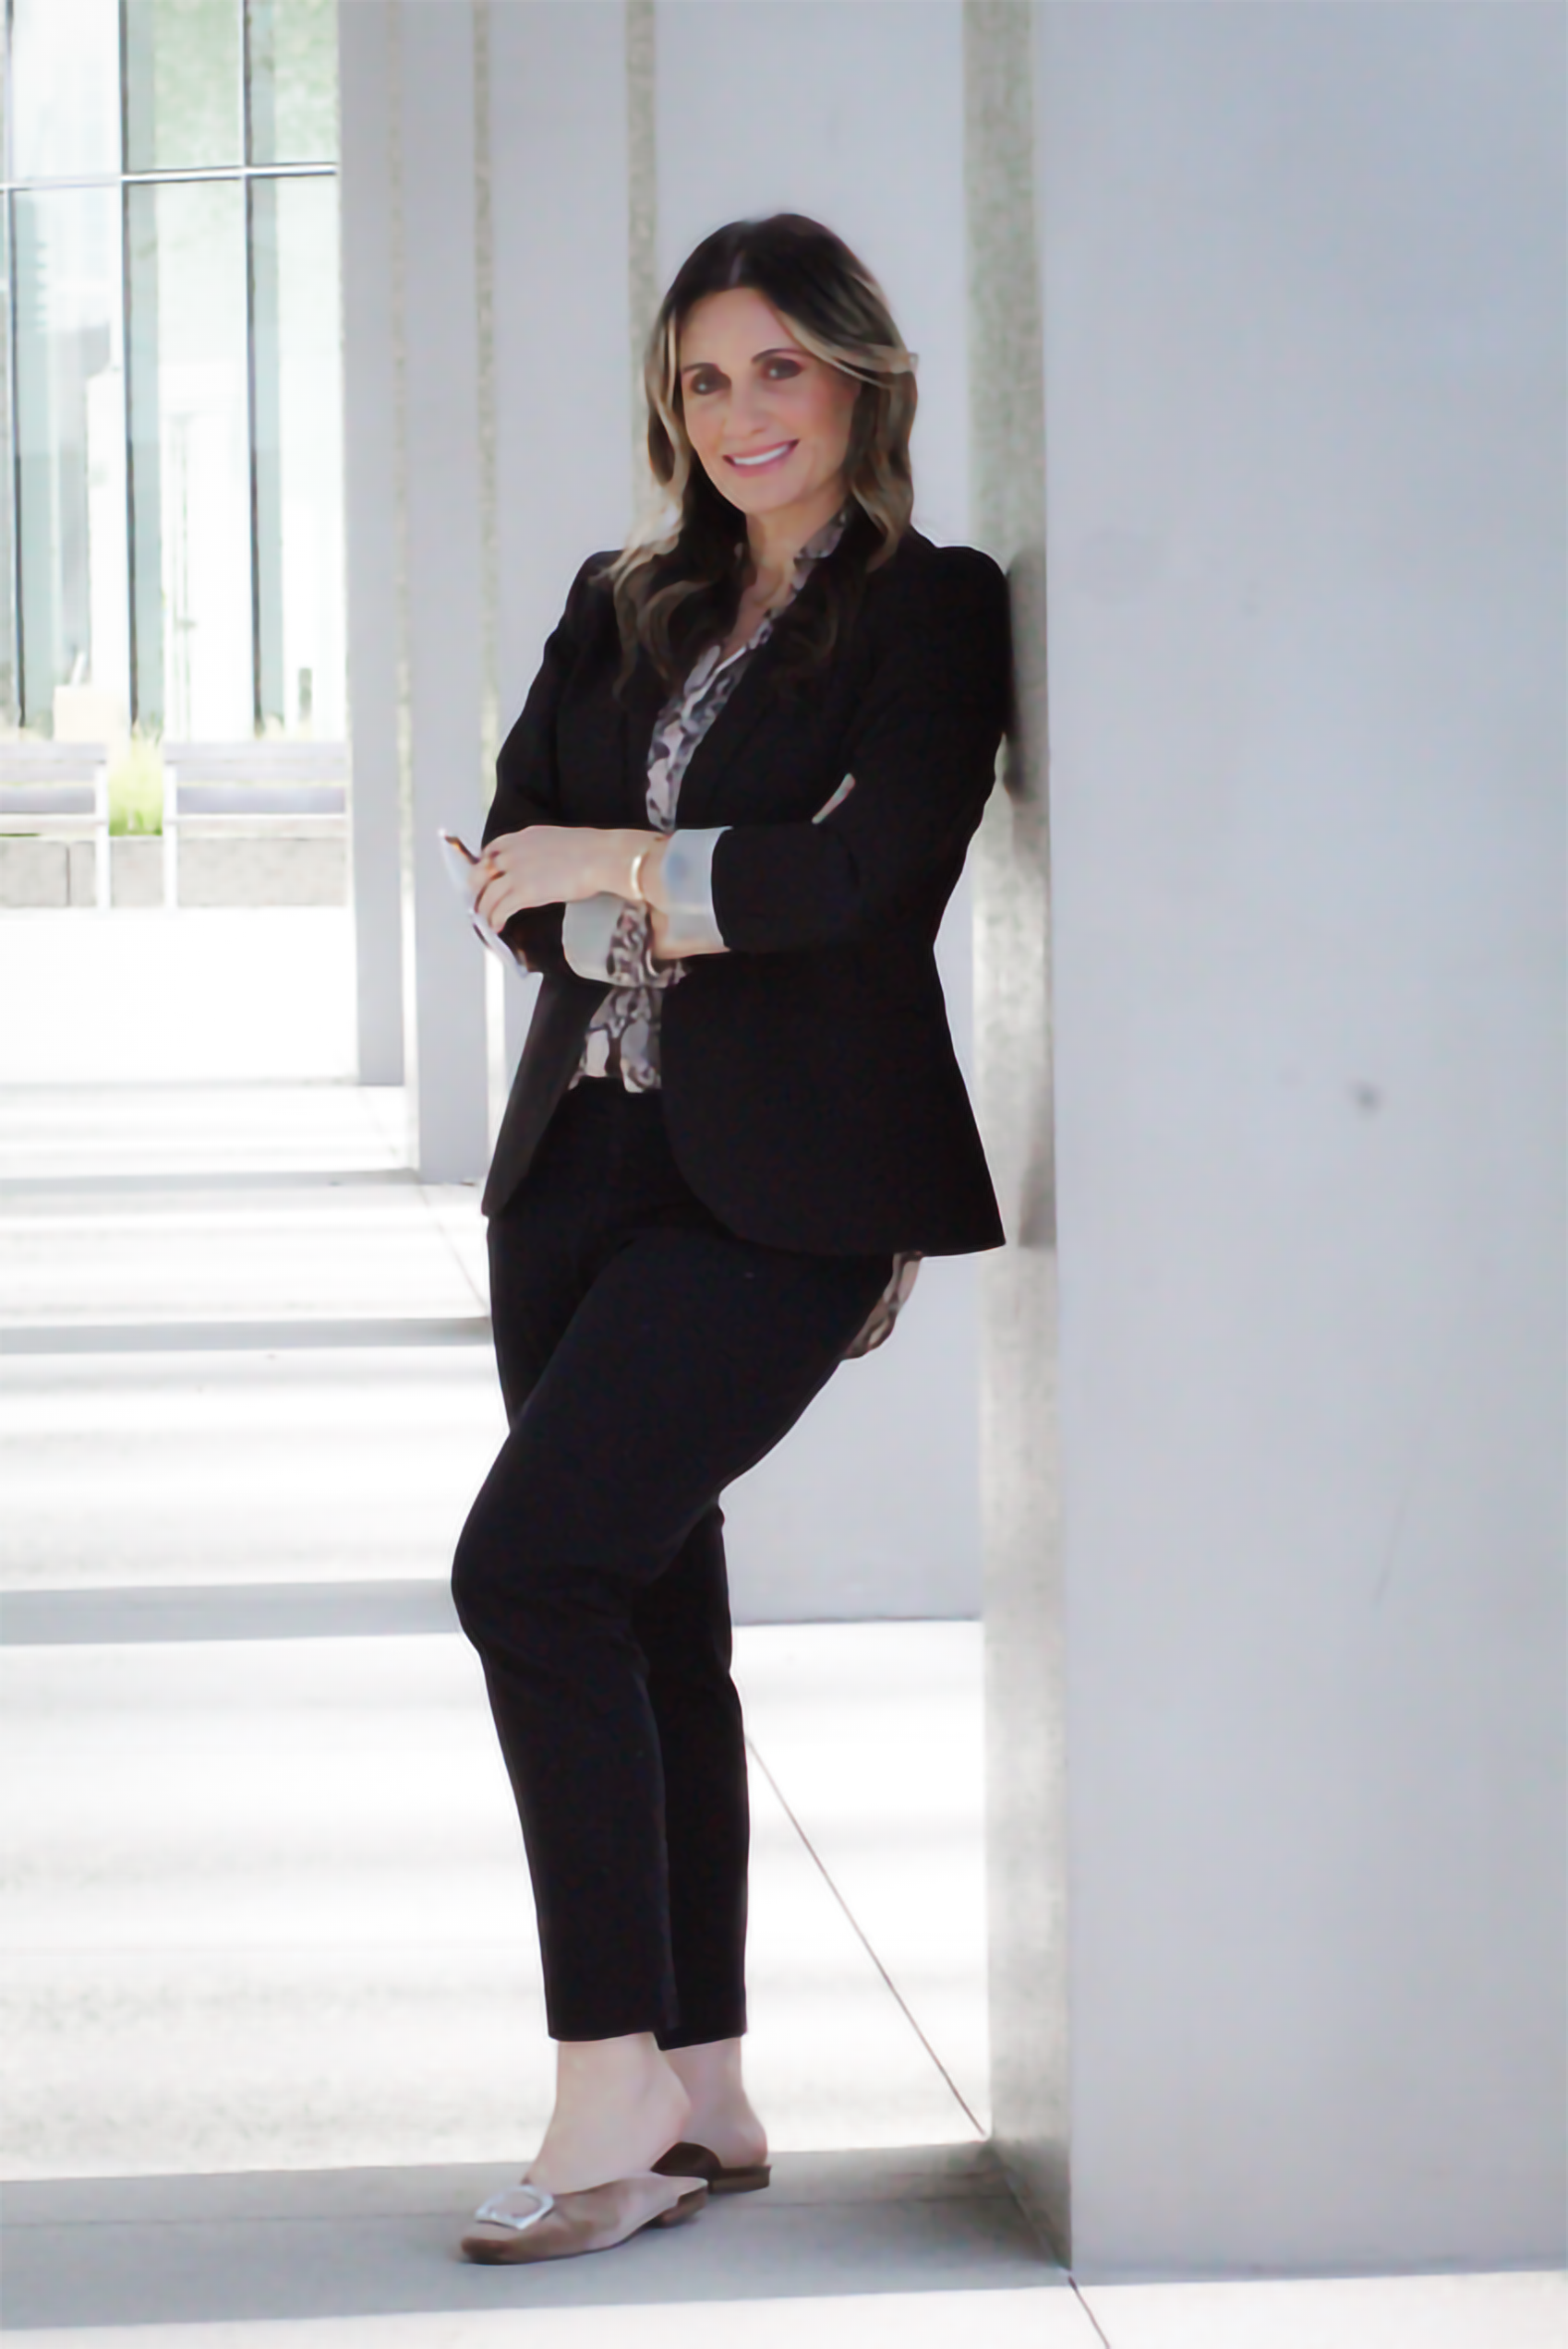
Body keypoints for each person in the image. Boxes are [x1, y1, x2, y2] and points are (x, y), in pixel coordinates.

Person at [450, 213, 1009, 2266]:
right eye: (706, 376)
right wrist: (648, 883)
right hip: (575, 1173)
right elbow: (511, 872)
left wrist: (623, 866)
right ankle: (705, 2085)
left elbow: (871, 881)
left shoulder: (934, 611)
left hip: (784, 1194)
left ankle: (604, 2091)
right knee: (651, 1612)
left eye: (781, 367)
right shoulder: (624, 605)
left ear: (858, 377)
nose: (745, 412)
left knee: (527, 1568)